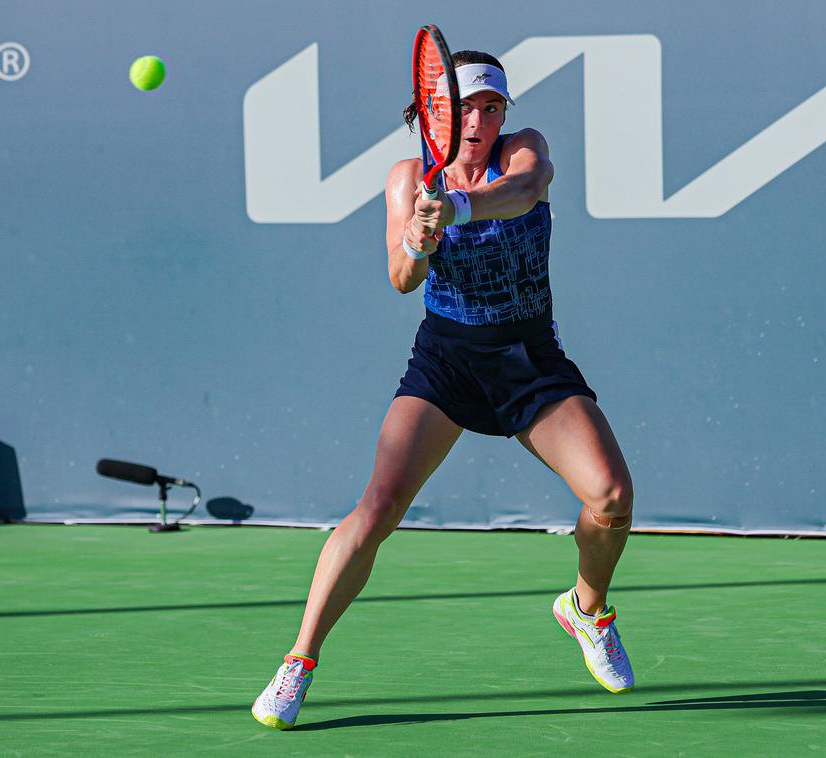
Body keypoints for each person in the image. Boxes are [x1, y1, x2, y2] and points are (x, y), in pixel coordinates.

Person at [252, 51, 634, 731]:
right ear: (436, 114)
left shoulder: (524, 151)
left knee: (610, 497)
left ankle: (586, 608)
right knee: (377, 507)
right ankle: (298, 663)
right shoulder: (407, 178)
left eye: (492, 108)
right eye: (466, 109)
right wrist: (419, 235)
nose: (482, 121)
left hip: (529, 356)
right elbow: (401, 277)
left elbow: (525, 190)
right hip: (447, 361)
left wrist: (455, 206)